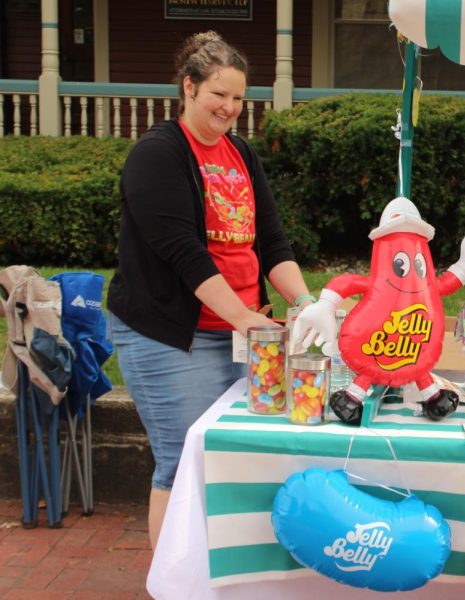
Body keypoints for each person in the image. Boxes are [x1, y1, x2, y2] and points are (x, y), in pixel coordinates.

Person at [106, 31, 316, 550]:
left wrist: (308, 303)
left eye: (239, 97)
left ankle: (221, 570)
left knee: (235, 456)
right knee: (182, 462)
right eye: (219, 94)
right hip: (171, 335)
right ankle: (172, 581)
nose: (230, 108)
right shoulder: (157, 154)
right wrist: (244, 317)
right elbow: (184, 253)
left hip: (242, 331)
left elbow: (271, 240)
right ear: (189, 88)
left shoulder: (240, 152)